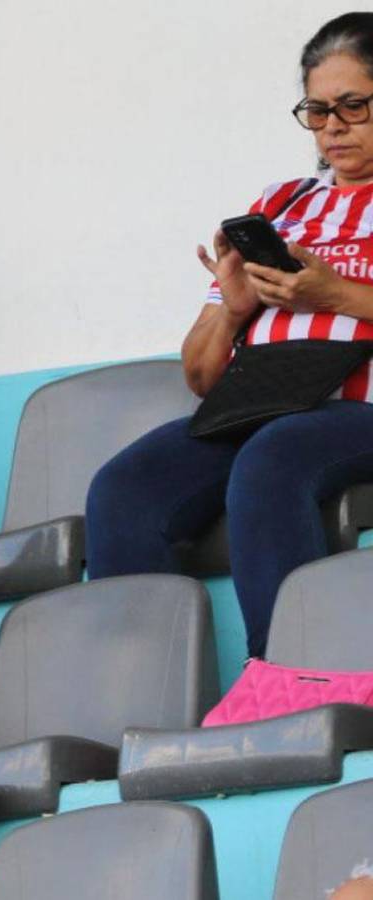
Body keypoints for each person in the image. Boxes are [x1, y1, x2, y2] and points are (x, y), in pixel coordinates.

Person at [86, 13, 373, 660]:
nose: (332, 126)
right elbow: (200, 375)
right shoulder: (282, 203)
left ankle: (287, 676)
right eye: (317, 110)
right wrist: (233, 309)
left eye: (353, 107)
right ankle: (134, 693)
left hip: (359, 409)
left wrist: (335, 294)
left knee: (276, 456)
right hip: (262, 403)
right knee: (126, 488)